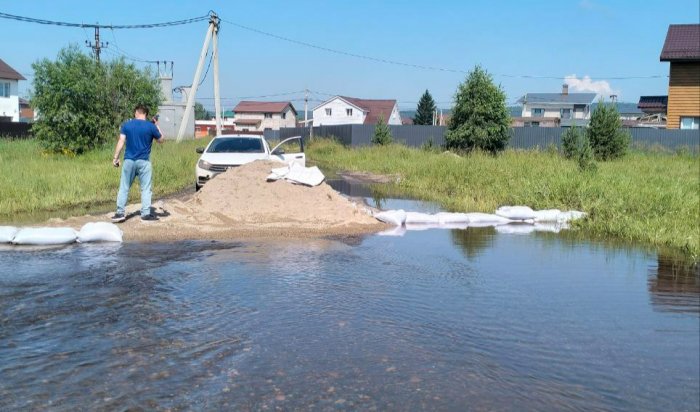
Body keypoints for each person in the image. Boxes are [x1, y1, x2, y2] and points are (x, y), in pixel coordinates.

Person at [111, 104, 164, 223]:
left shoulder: (127, 125)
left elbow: (121, 141)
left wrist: (116, 158)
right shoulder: (150, 126)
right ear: (146, 113)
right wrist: (156, 125)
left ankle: (120, 213)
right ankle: (145, 214)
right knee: (145, 189)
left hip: (129, 160)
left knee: (124, 187)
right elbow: (161, 140)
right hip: (144, 162)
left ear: (136, 112)